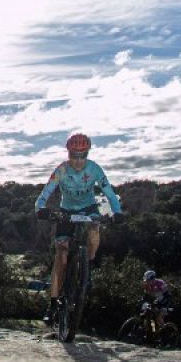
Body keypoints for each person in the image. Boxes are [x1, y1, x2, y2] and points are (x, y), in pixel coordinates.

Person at [34, 132, 123, 323]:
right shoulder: (61, 171)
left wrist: (117, 211)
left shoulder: (95, 170)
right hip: (66, 210)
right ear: (68, 155)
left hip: (89, 207)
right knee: (61, 255)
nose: (78, 161)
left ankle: (86, 265)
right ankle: (52, 303)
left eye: (83, 156)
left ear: (88, 155)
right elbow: (45, 193)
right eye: (74, 156)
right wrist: (40, 208)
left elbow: (109, 192)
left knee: (94, 228)